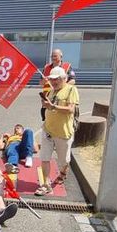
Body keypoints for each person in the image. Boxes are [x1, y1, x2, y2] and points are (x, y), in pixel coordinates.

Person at [35, 67, 79, 196]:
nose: (53, 82)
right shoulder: (51, 91)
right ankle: (46, 184)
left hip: (63, 132)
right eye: (52, 79)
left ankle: (63, 173)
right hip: (48, 129)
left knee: (64, 161)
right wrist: (45, 104)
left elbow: (71, 109)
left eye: (56, 79)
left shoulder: (71, 90)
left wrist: (53, 106)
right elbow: (48, 107)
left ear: (64, 79)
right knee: (44, 157)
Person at [39, 49, 76, 121]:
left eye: (55, 56)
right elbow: (40, 83)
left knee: (59, 116)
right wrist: (45, 80)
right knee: (47, 117)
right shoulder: (46, 67)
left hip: (61, 98)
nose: (53, 58)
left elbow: (73, 80)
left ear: (61, 56)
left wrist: (62, 86)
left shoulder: (67, 66)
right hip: (47, 97)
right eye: (52, 56)